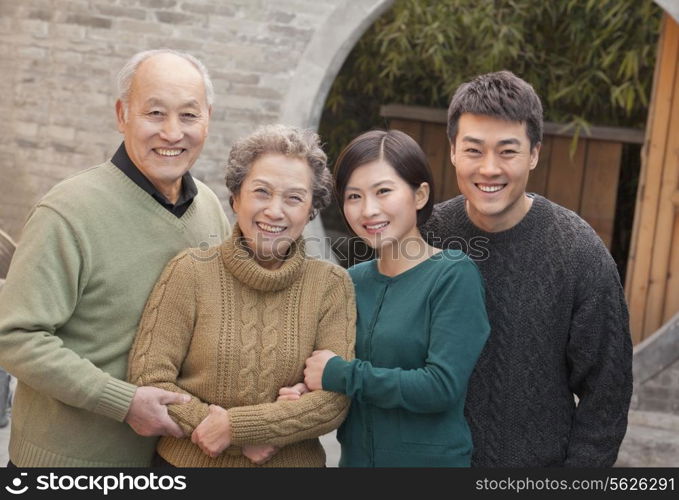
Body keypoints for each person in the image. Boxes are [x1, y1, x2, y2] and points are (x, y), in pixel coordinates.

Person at [0, 49, 230, 467]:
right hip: (66, 463)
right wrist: (123, 402)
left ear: (208, 119)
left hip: (172, 460)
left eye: (189, 116)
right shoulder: (69, 211)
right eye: (155, 113)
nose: (173, 132)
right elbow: (14, 336)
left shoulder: (211, 209)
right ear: (122, 114)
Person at [420, 70, 633, 466]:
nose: (489, 168)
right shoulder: (422, 239)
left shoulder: (579, 254)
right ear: (452, 150)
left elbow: (607, 395)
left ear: (534, 153)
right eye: (473, 150)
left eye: (507, 150)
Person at [127, 124, 356, 467]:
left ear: (311, 210)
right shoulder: (189, 272)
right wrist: (235, 440)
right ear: (235, 197)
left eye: (294, 198)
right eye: (261, 192)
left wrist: (236, 428)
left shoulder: (331, 286)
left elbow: (334, 401)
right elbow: (150, 380)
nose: (275, 211)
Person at [290, 129, 490, 467]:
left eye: (383, 191)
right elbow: (328, 371)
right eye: (354, 196)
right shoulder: (350, 282)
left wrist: (341, 374)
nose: (368, 210)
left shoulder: (454, 275)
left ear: (420, 194)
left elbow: (440, 387)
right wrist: (306, 391)